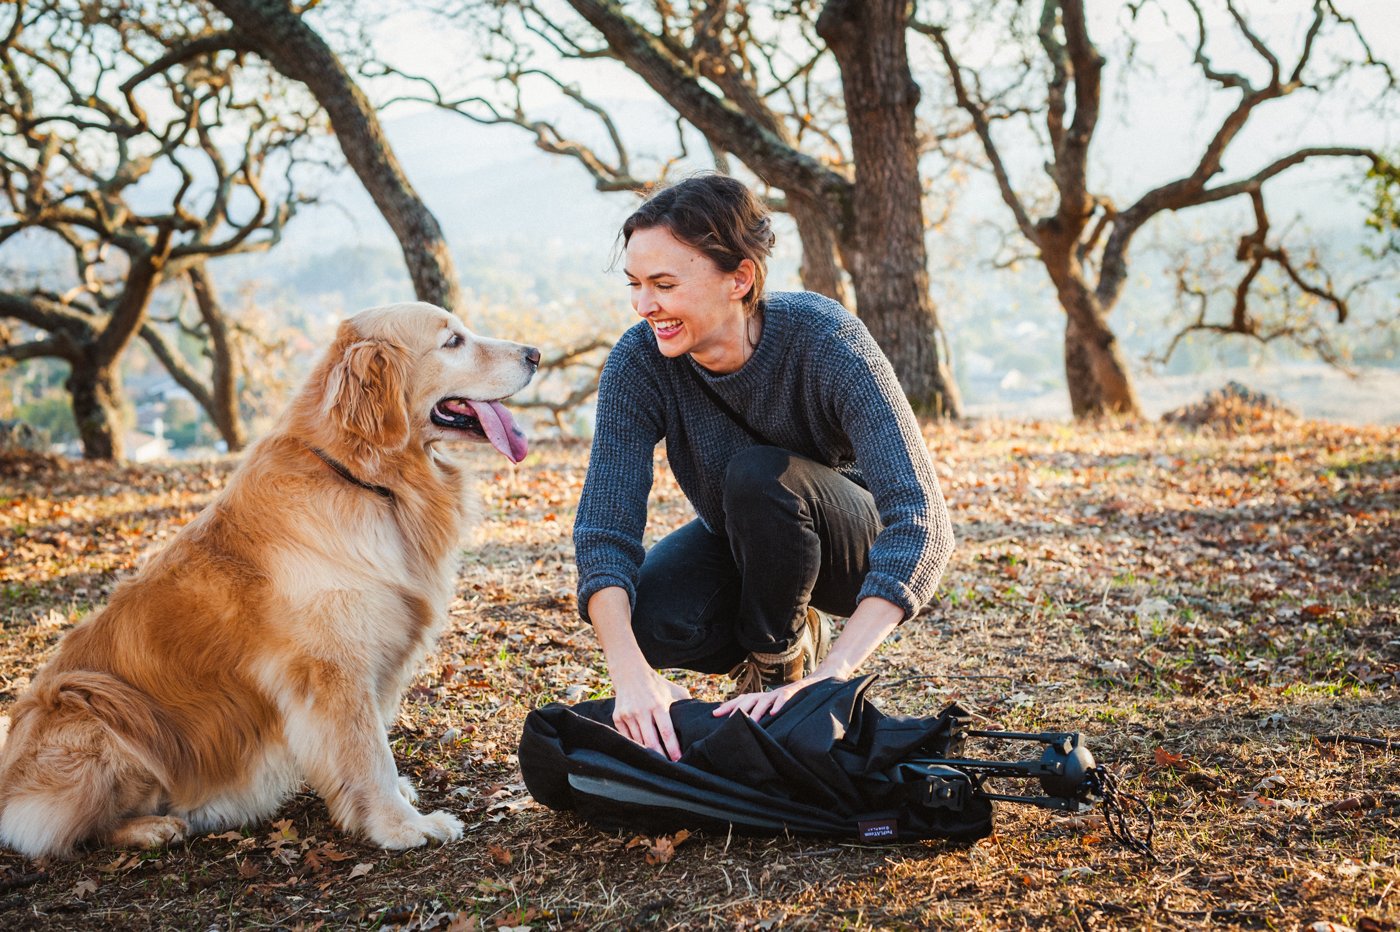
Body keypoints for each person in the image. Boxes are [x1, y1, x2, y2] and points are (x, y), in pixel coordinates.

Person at [573, 174, 954, 761]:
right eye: (636, 285)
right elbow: (605, 529)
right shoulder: (638, 362)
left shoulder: (826, 339)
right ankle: (777, 636)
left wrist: (836, 673)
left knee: (757, 475)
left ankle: (781, 660)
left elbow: (923, 520)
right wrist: (630, 673)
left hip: (850, 546)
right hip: (743, 536)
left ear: (739, 278)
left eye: (665, 284)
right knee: (648, 617)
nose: (645, 305)